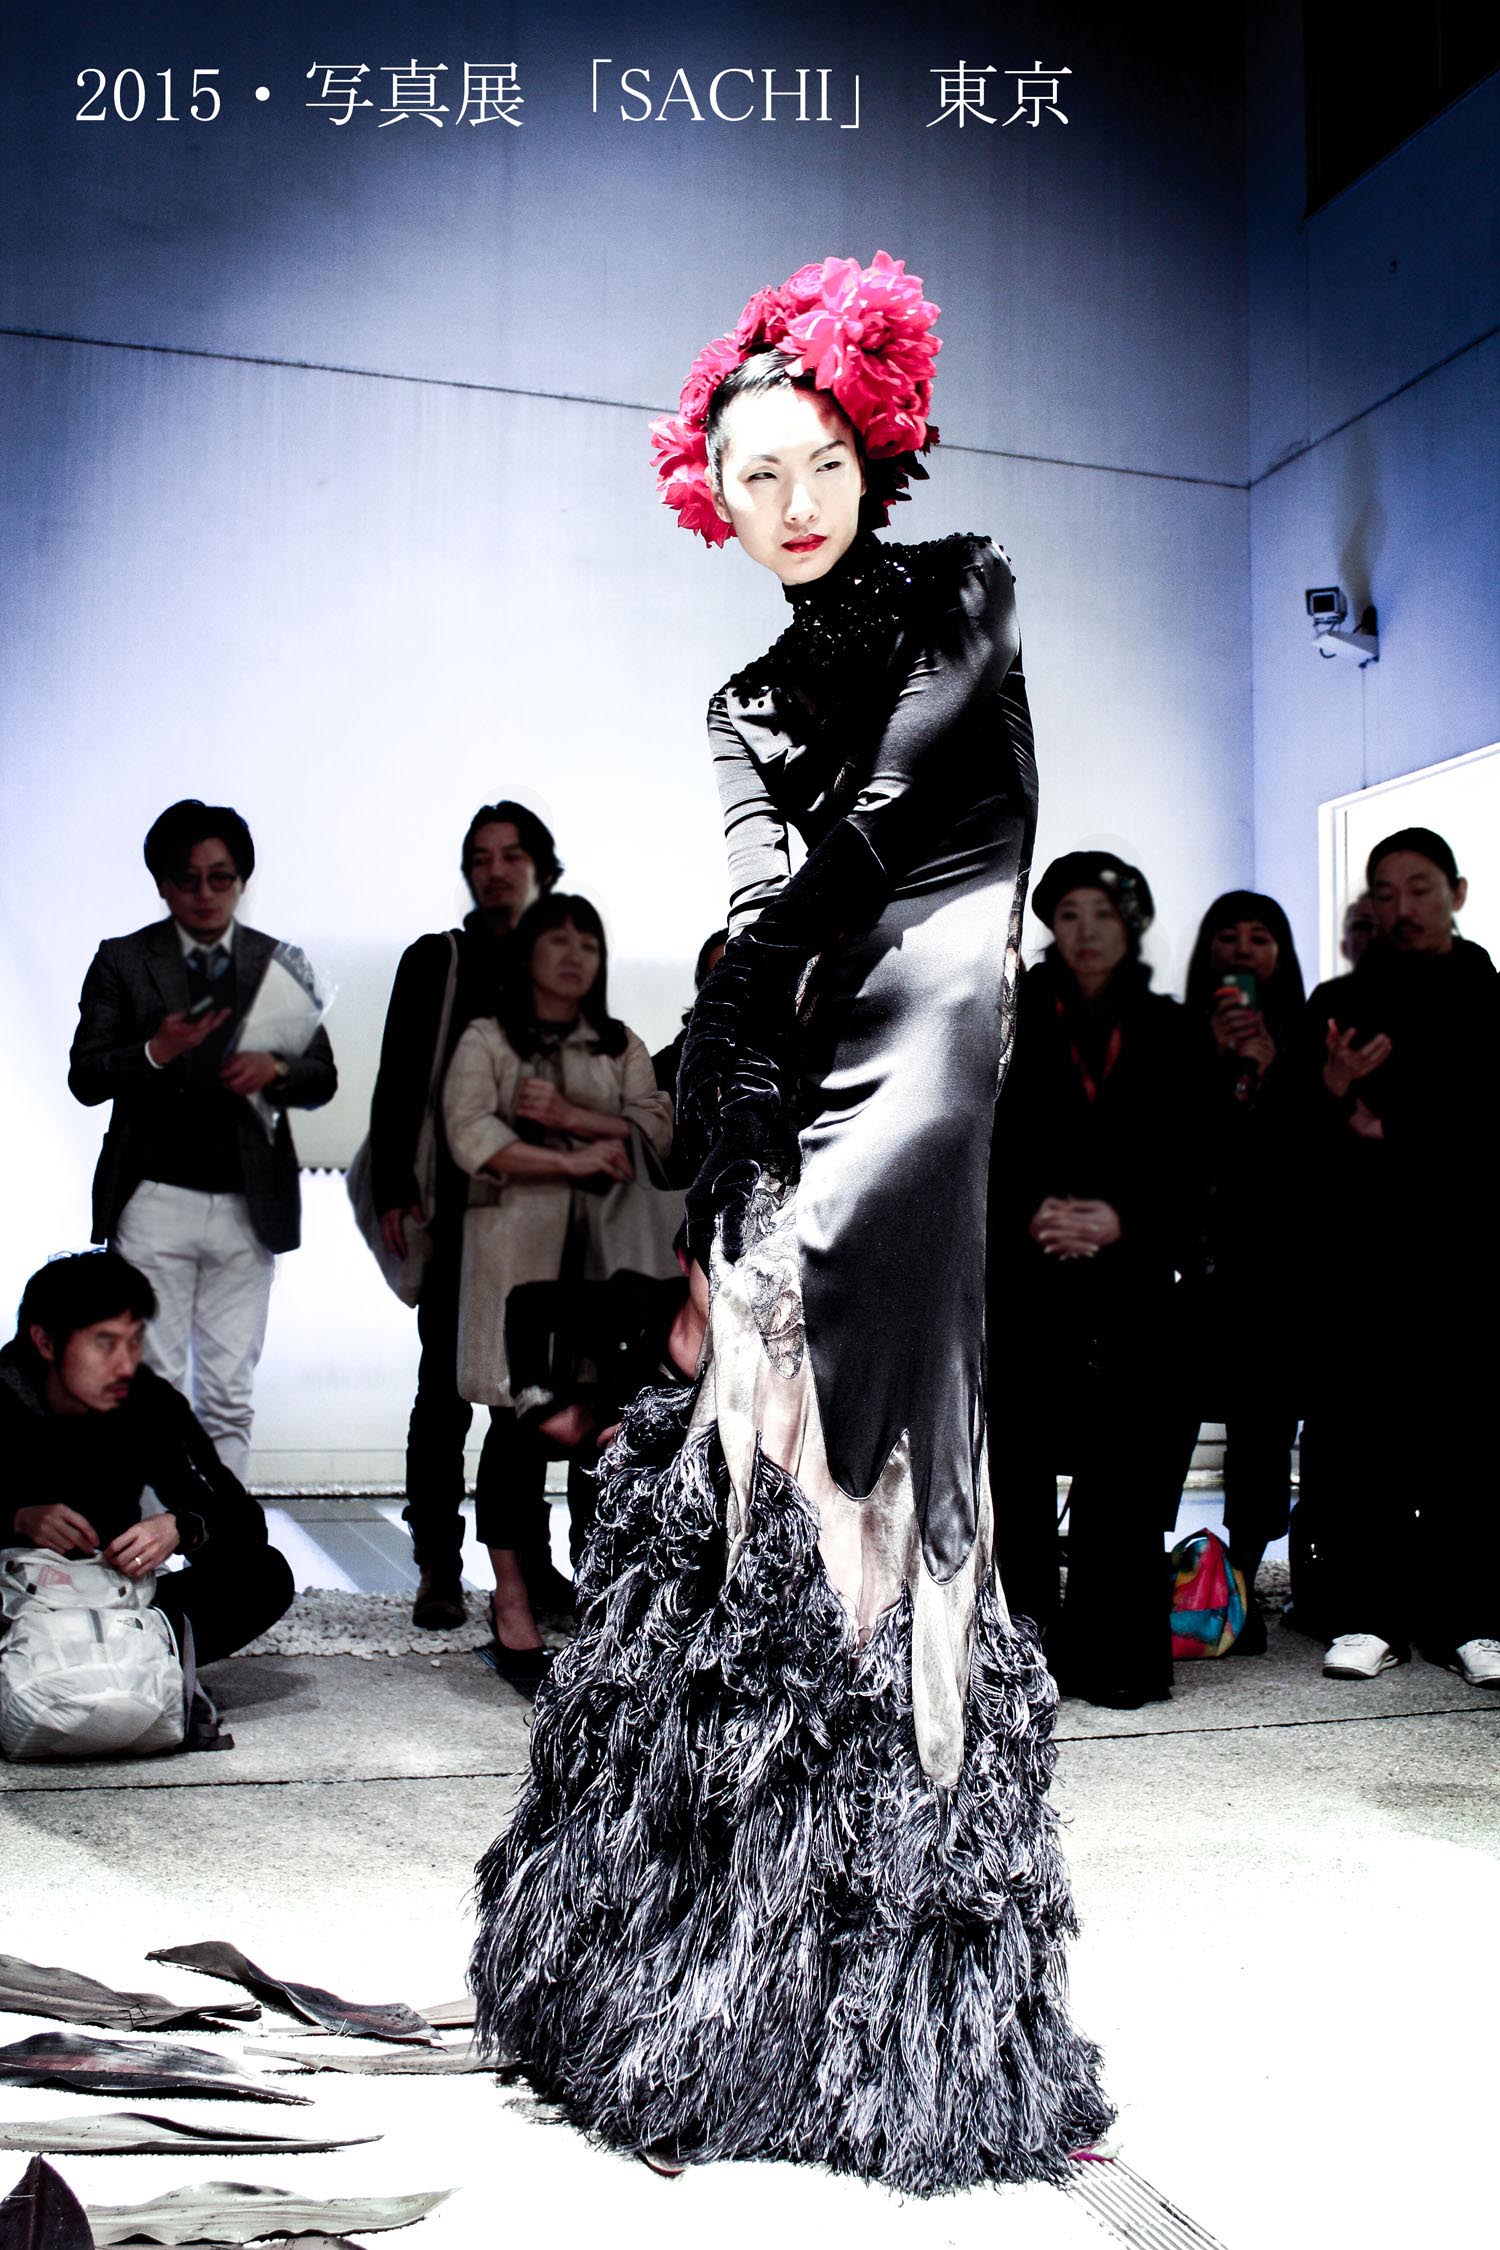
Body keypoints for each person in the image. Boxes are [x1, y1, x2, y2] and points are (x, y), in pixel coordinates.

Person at [469, 254, 1111, 2193]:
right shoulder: (741, 698)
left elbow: (908, 812)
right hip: (804, 1064)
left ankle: (899, 1972)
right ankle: (737, 1966)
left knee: (885, 1477)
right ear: (714, 499)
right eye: (754, 474)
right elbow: (763, 885)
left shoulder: (967, 591)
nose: (793, 498)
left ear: (876, 443)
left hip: (926, 1067)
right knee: (758, 1447)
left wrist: (750, 986)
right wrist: (736, 1053)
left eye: (820, 456)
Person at [443, 893, 674, 1692]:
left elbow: (658, 1129)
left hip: (609, 1258)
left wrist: (574, 1116)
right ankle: (510, 1604)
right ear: (528, 953)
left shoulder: (620, 1043)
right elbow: (471, 1135)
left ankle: (597, 1591)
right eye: (558, 941)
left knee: (605, 1419)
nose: (575, 956)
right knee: (517, 1422)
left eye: (588, 943)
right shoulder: (489, 1038)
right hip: (518, 1251)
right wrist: (576, 1156)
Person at [68, 801, 336, 1484]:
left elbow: (322, 1076)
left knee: (229, 1393)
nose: (205, 894)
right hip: (154, 1196)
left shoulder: (280, 962)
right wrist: (155, 1051)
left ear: (242, 880)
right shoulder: (124, 960)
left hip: (249, 1202)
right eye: (187, 879)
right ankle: (149, 1538)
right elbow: (86, 1075)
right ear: (162, 884)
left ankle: (223, 1542)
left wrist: (275, 1070)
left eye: (221, 877)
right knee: (151, 1386)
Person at [991, 852, 1204, 1708]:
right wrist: (1030, 1214)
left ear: (1132, 925)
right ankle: (1015, 1654)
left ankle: (1114, 1657)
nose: (1085, 932)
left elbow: (1196, 1156)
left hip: (1132, 1273)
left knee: (1124, 1467)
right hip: (1026, 1267)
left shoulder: (1171, 1027)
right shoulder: (1009, 1015)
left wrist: (1124, 1220)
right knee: (1014, 1465)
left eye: (1104, 914)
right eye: (1070, 913)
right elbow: (978, 1135)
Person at [1299, 827, 1499, 1685]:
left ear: (1457, 892)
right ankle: (1367, 1613)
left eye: (1420, 888)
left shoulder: (1491, 999)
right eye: (1386, 893)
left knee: (1474, 1436)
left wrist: (1395, 1130)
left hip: (1470, 1255)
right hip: (1364, 1259)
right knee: (1362, 1436)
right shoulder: (1338, 1003)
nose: (1403, 907)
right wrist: (1334, 1090)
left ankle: (1475, 1617)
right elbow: (1293, 1134)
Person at [367, 802, 568, 1631]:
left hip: (540, 1208)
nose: (495, 871)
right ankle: (438, 1566)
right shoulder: (437, 959)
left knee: (526, 1396)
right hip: (455, 1206)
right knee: (444, 1393)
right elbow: (398, 1078)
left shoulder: (565, 957)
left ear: (541, 868)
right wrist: (392, 1188)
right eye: (480, 858)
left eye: (510, 855)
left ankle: (527, 1563)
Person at [0, 1252, 294, 1667]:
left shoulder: (147, 1401)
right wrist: (17, 1519)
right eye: (105, 1344)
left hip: (116, 1601)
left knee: (265, 1574)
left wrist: (182, 1527)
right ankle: (90, 1664)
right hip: (12, 1598)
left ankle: (108, 1658)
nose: (125, 1364)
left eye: (133, 1341)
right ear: (46, 1343)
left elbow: (243, 1522)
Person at [1181, 890, 1308, 1649]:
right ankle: (1147, 1568)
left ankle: (1246, 1574)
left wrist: (1273, 1073)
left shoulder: (1311, 1038)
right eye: (1228, 936)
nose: (1243, 950)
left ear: (1280, 955)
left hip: (1277, 1268)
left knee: (1264, 1421)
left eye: (1261, 937)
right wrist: (1211, 1065)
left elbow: (1314, 1154)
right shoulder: (1172, 1034)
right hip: (1190, 1265)